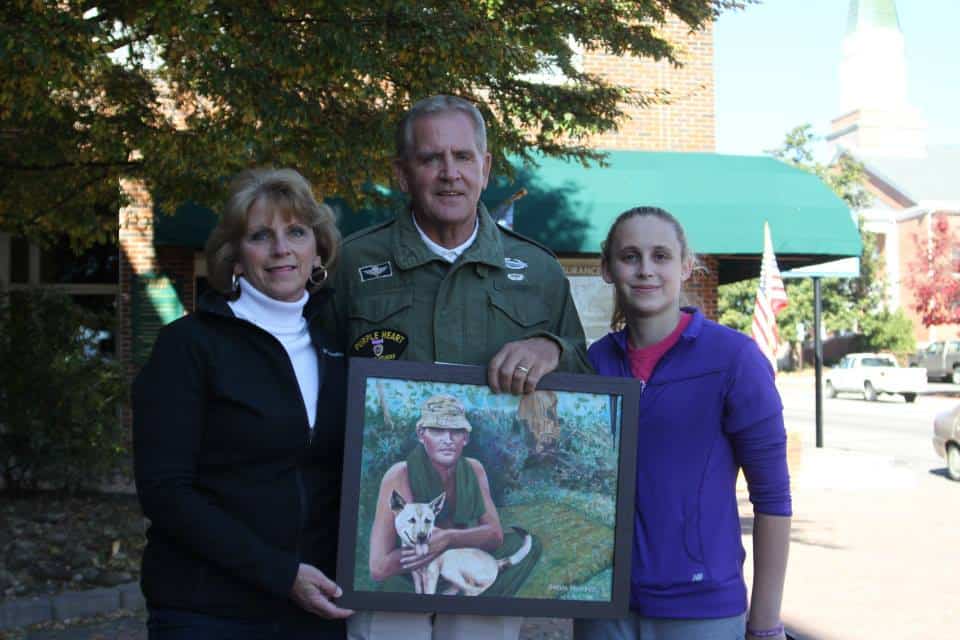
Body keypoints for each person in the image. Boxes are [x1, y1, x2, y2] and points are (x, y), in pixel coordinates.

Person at [330, 94, 591, 639]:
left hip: (484, 509)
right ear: (403, 174)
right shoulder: (353, 264)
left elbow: (584, 376)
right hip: (381, 544)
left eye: (463, 157)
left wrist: (553, 349)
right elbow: (317, 385)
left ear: (486, 167)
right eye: (430, 159)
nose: (449, 173)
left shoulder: (538, 270)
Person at [133, 168, 353, 639]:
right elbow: (165, 491)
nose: (281, 249)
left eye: (296, 232)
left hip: (316, 608)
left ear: (318, 248)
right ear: (233, 256)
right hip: (208, 610)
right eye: (260, 236)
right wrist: (280, 573)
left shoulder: (340, 345)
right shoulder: (188, 346)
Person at [576, 207, 791, 640]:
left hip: (702, 611)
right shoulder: (592, 363)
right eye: (630, 256)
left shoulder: (734, 359)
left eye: (661, 256)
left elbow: (772, 495)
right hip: (602, 607)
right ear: (606, 268)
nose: (645, 270)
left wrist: (765, 622)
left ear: (686, 266)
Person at [368, 394, 539, 596]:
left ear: (465, 438)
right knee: (392, 588)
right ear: (421, 434)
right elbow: (379, 567)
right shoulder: (400, 474)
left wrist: (449, 538)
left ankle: (470, 598)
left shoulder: (474, 469)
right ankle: (469, 595)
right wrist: (431, 550)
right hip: (412, 571)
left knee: (527, 545)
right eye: (437, 431)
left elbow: (495, 535)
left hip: (460, 562)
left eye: (456, 431)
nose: (447, 440)